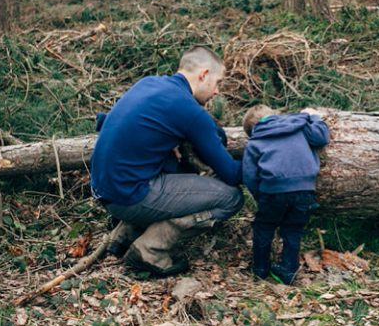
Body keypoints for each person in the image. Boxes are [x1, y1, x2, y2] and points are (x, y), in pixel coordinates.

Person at [90, 46, 243, 276]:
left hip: (102, 189)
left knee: (174, 164)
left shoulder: (148, 83)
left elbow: (107, 122)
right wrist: (268, 162)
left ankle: (125, 234)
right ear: (203, 75)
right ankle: (151, 249)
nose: (217, 92)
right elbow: (230, 173)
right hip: (128, 196)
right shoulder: (189, 110)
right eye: (217, 82)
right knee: (232, 198)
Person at [241, 105, 329, 284]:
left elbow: (249, 175)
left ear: (252, 130)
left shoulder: (255, 141)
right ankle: (289, 270)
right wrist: (315, 117)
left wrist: (260, 196)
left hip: (272, 191)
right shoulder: (299, 126)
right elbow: (321, 137)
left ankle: (260, 268)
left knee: (264, 227)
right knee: (293, 229)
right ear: (276, 115)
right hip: (305, 189)